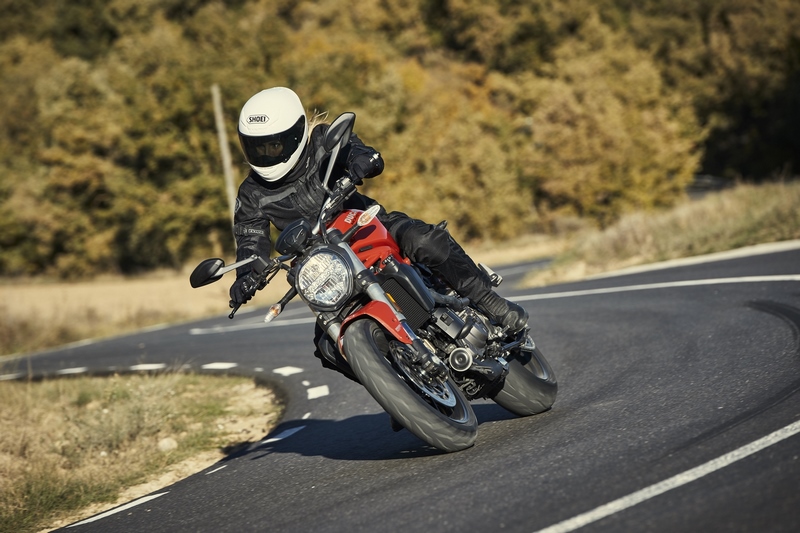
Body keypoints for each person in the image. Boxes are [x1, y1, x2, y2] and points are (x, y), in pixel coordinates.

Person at [230, 87, 528, 376]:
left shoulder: (323, 141)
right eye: (257, 147)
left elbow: (359, 151)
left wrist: (363, 161)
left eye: (274, 145)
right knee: (327, 348)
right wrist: (245, 277)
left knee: (424, 240)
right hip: (323, 267)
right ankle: (400, 381)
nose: (266, 154)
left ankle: (490, 302)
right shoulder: (251, 193)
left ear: (296, 133)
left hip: (366, 225)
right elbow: (249, 239)